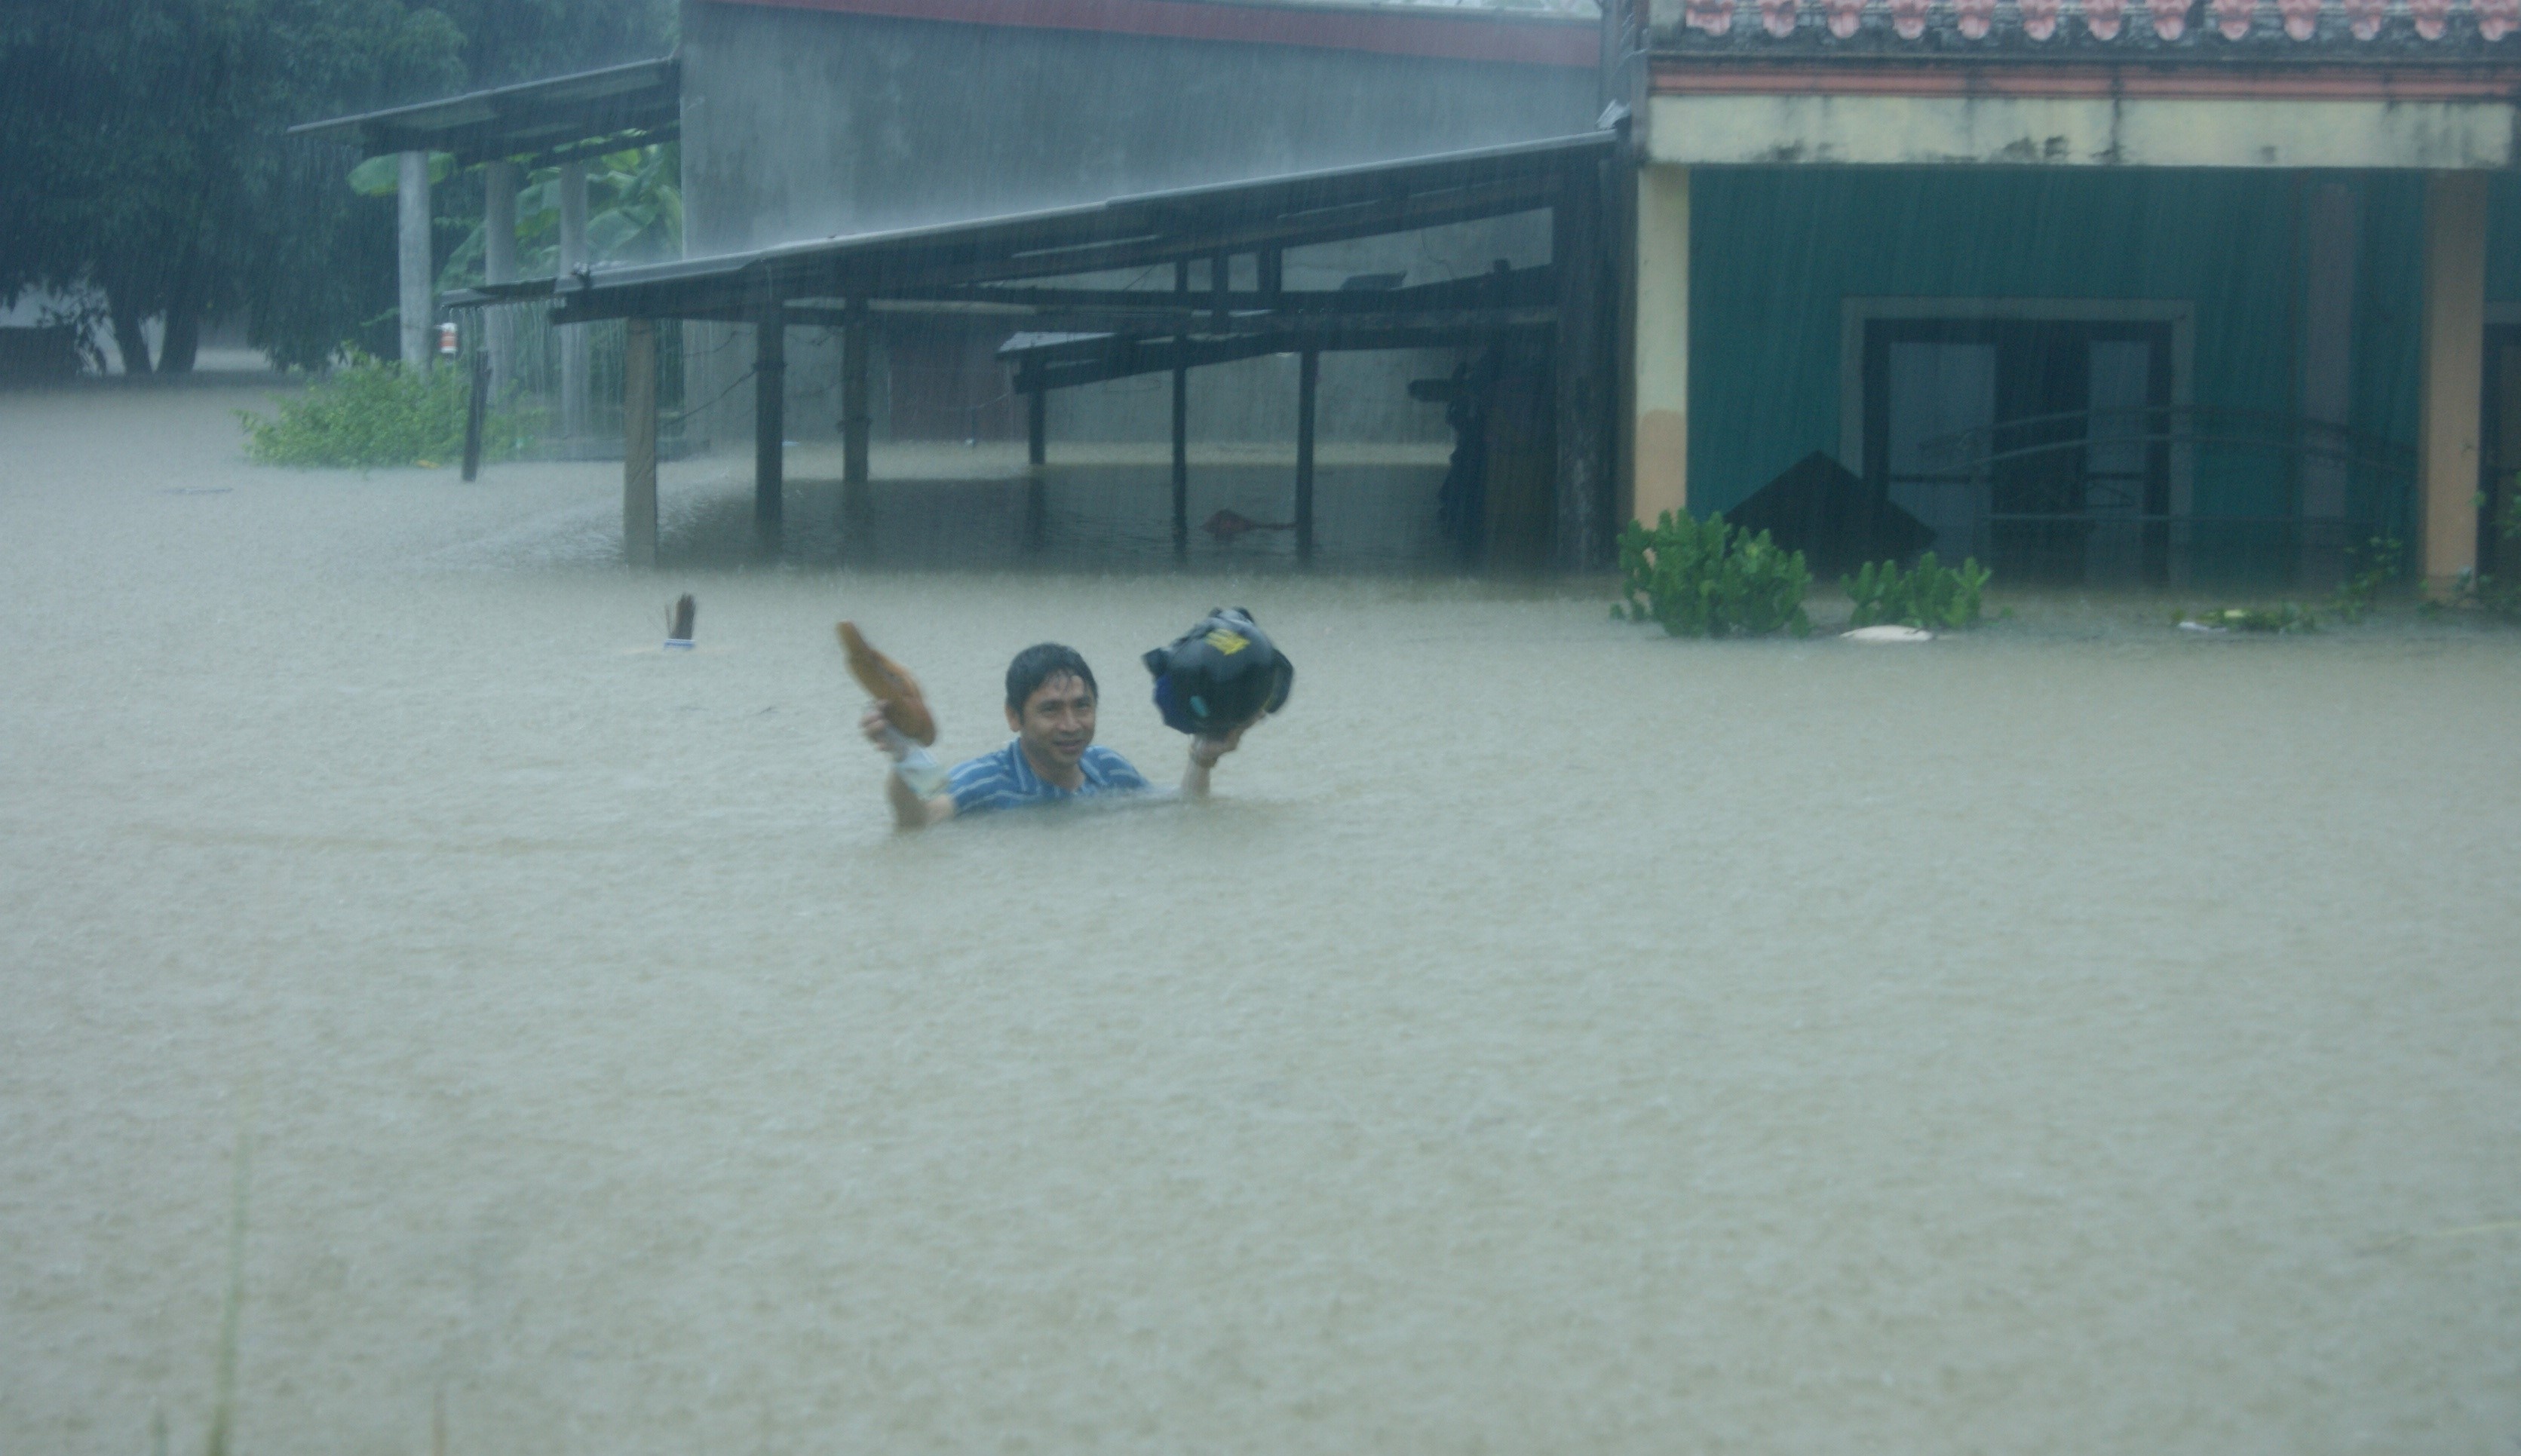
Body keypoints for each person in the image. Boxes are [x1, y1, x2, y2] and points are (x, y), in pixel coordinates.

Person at [861, 642, 1250, 829]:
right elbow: (919, 821)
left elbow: (1183, 806)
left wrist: (1203, 756)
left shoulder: (1108, 768)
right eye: (1051, 710)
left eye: (1082, 706)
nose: (1071, 725)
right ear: (1013, 716)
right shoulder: (985, 781)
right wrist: (903, 753)